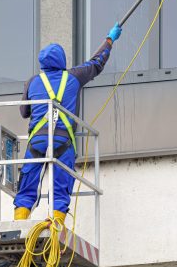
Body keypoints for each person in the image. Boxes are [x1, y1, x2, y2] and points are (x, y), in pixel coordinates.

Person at [14, 24, 122, 223]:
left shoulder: (33, 82)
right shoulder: (73, 77)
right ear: (62, 61)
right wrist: (109, 40)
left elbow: (23, 112)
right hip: (63, 141)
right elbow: (96, 63)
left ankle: (20, 218)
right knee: (61, 183)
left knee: (29, 182)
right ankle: (56, 222)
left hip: (37, 140)